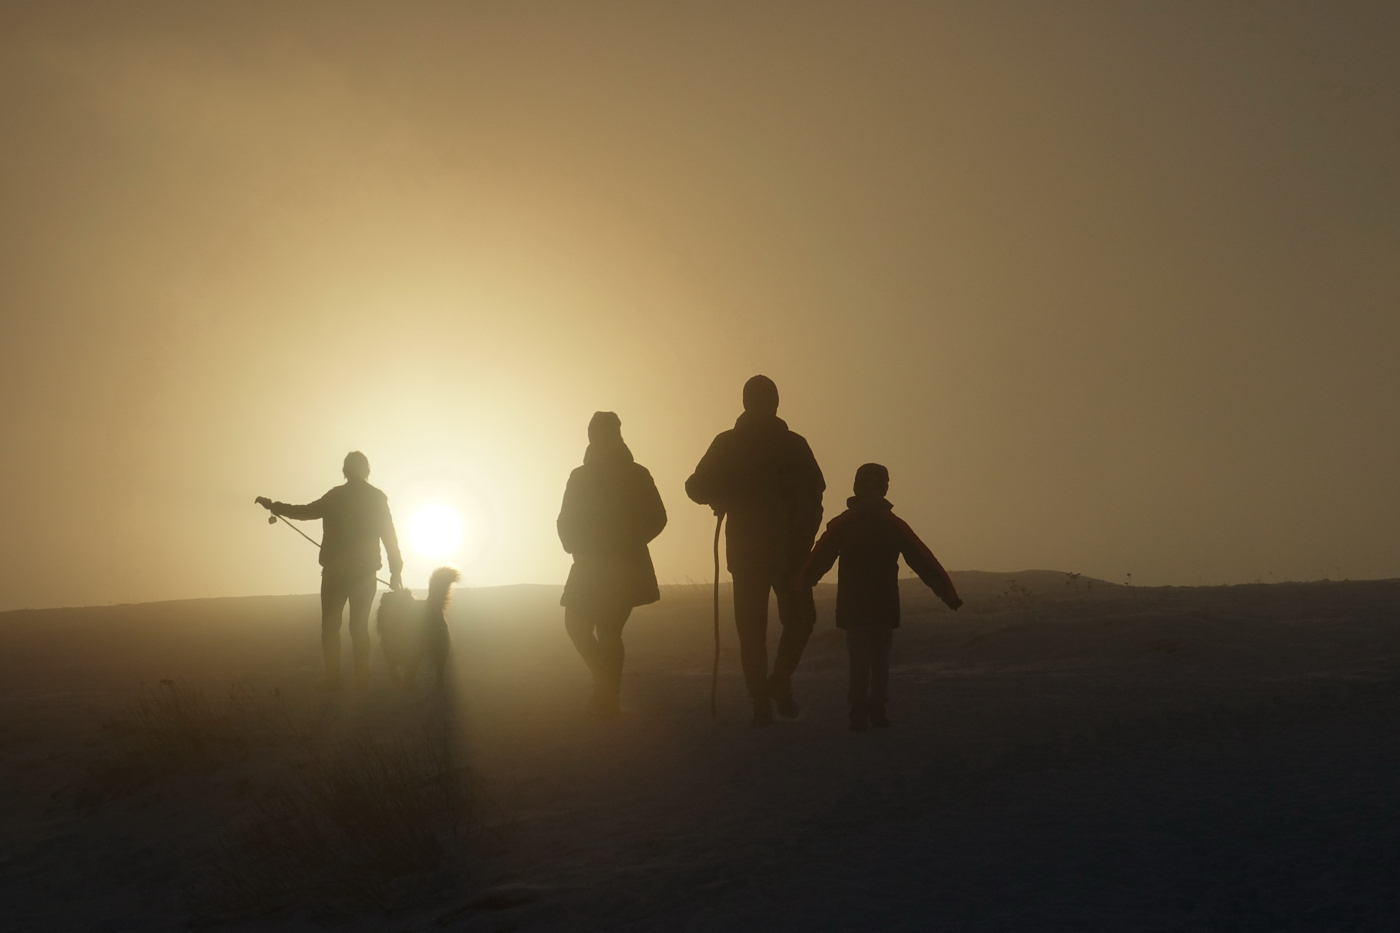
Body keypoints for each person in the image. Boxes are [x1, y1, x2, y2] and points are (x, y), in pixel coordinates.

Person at [685, 375, 825, 726]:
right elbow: (814, 496)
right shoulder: (789, 444)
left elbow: (696, 486)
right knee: (782, 624)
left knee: (762, 629)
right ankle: (769, 691)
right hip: (781, 551)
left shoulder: (733, 444)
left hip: (762, 551)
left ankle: (769, 690)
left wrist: (722, 493)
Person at [799, 462, 962, 731]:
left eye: (873, 486)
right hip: (860, 605)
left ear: (883, 489)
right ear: (857, 488)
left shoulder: (887, 525)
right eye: (864, 485)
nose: (868, 491)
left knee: (877, 659)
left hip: (879, 604)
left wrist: (949, 595)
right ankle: (860, 709)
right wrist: (801, 585)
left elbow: (923, 561)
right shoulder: (849, 524)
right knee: (863, 659)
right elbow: (819, 557)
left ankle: (874, 707)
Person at [256, 451, 403, 690]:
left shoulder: (337, 496)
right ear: (366, 470)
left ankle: (333, 679)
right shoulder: (377, 498)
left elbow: (305, 512)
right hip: (364, 575)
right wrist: (395, 570)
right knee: (358, 628)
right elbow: (390, 536)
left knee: (330, 628)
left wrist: (274, 506)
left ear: (345, 470)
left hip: (335, 573)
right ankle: (361, 680)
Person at [557, 411, 668, 719]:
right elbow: (565, 521)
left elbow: (658, 518)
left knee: (604, 630)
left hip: (615, 567)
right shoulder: (582, 476)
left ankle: (607, 697)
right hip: (591, 565)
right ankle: (606, 690)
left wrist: (627, 541)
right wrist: (575, 545)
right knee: (580, 627)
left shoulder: (635, 474)